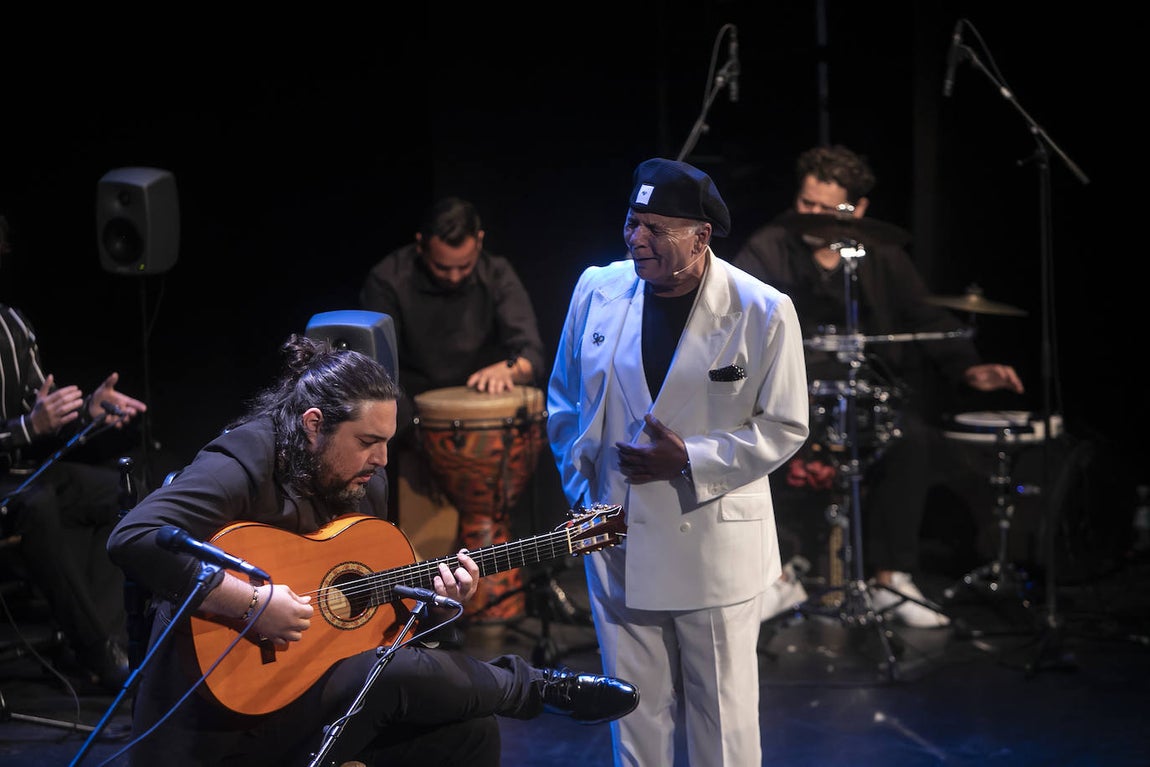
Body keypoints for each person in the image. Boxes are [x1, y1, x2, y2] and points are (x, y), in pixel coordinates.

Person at [106, 334, 638, 767]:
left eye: (388, 441)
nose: (383, 460)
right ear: (314, 425)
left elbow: (368, 627)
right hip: (217, 722)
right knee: (391, 676)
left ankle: (525, 692)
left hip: (310, 699)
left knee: (469, 734)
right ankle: (537, 689)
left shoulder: (364, 484)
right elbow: (133, 536)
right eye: (367, 442)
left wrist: (431, 609)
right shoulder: (244, 459)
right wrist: (248, 603)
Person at [547, 158, 811, 766]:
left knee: (722, 723)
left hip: (711, 546)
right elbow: (563, 402)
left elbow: (787, 424)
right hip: (616, 542)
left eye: (656, 228)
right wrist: (584, 497)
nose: (637, 239)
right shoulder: (597, 289)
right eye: (632, 222)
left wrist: (689, 458)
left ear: (701, 236)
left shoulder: (761, 309)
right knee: (633, 717)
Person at [732, 144, 1025, 627]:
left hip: (862, 394)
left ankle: (891, 578)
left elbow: (924, 316)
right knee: (760, 446)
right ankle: (777, 575)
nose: (812, 217)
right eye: (806, 205)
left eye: (829, 210)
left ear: (859, 209)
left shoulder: (880, 253)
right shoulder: (768, 246)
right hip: (785, 394)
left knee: (911, 440)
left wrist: (969, 368)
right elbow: (734, 315)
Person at [358, 196, 547, 570]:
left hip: (477, 413)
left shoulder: (497, 273)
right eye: (443, 267)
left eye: (465, 266)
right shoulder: (387, 279)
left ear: (479, 240)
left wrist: (510, 369)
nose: (455, 276)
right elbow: (376, 369)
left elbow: (530, 352)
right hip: (407, 409)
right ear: (421, 244)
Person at [0, 213, 147, 692]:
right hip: (13, 490)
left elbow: (36, 409)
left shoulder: (11, 323)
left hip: (20, 473)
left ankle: (108, 639)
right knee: (36, 503)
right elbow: (28, 423)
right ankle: (100, 655)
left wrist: (86, 411)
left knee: (117, 492)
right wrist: (26, 427)